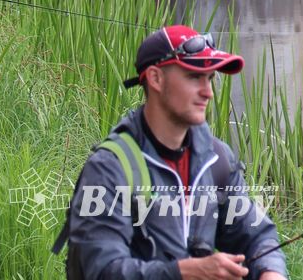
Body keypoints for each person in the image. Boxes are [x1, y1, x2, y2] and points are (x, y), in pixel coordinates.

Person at [53, 25, 288, 279]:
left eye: (209, 79)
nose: (208, 92)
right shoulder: (109, 168)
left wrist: (270, 271)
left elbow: (257, 236)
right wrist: (181, 272)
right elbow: (103, 269)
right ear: (155, 78)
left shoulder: (216, 159)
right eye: (193, 76)